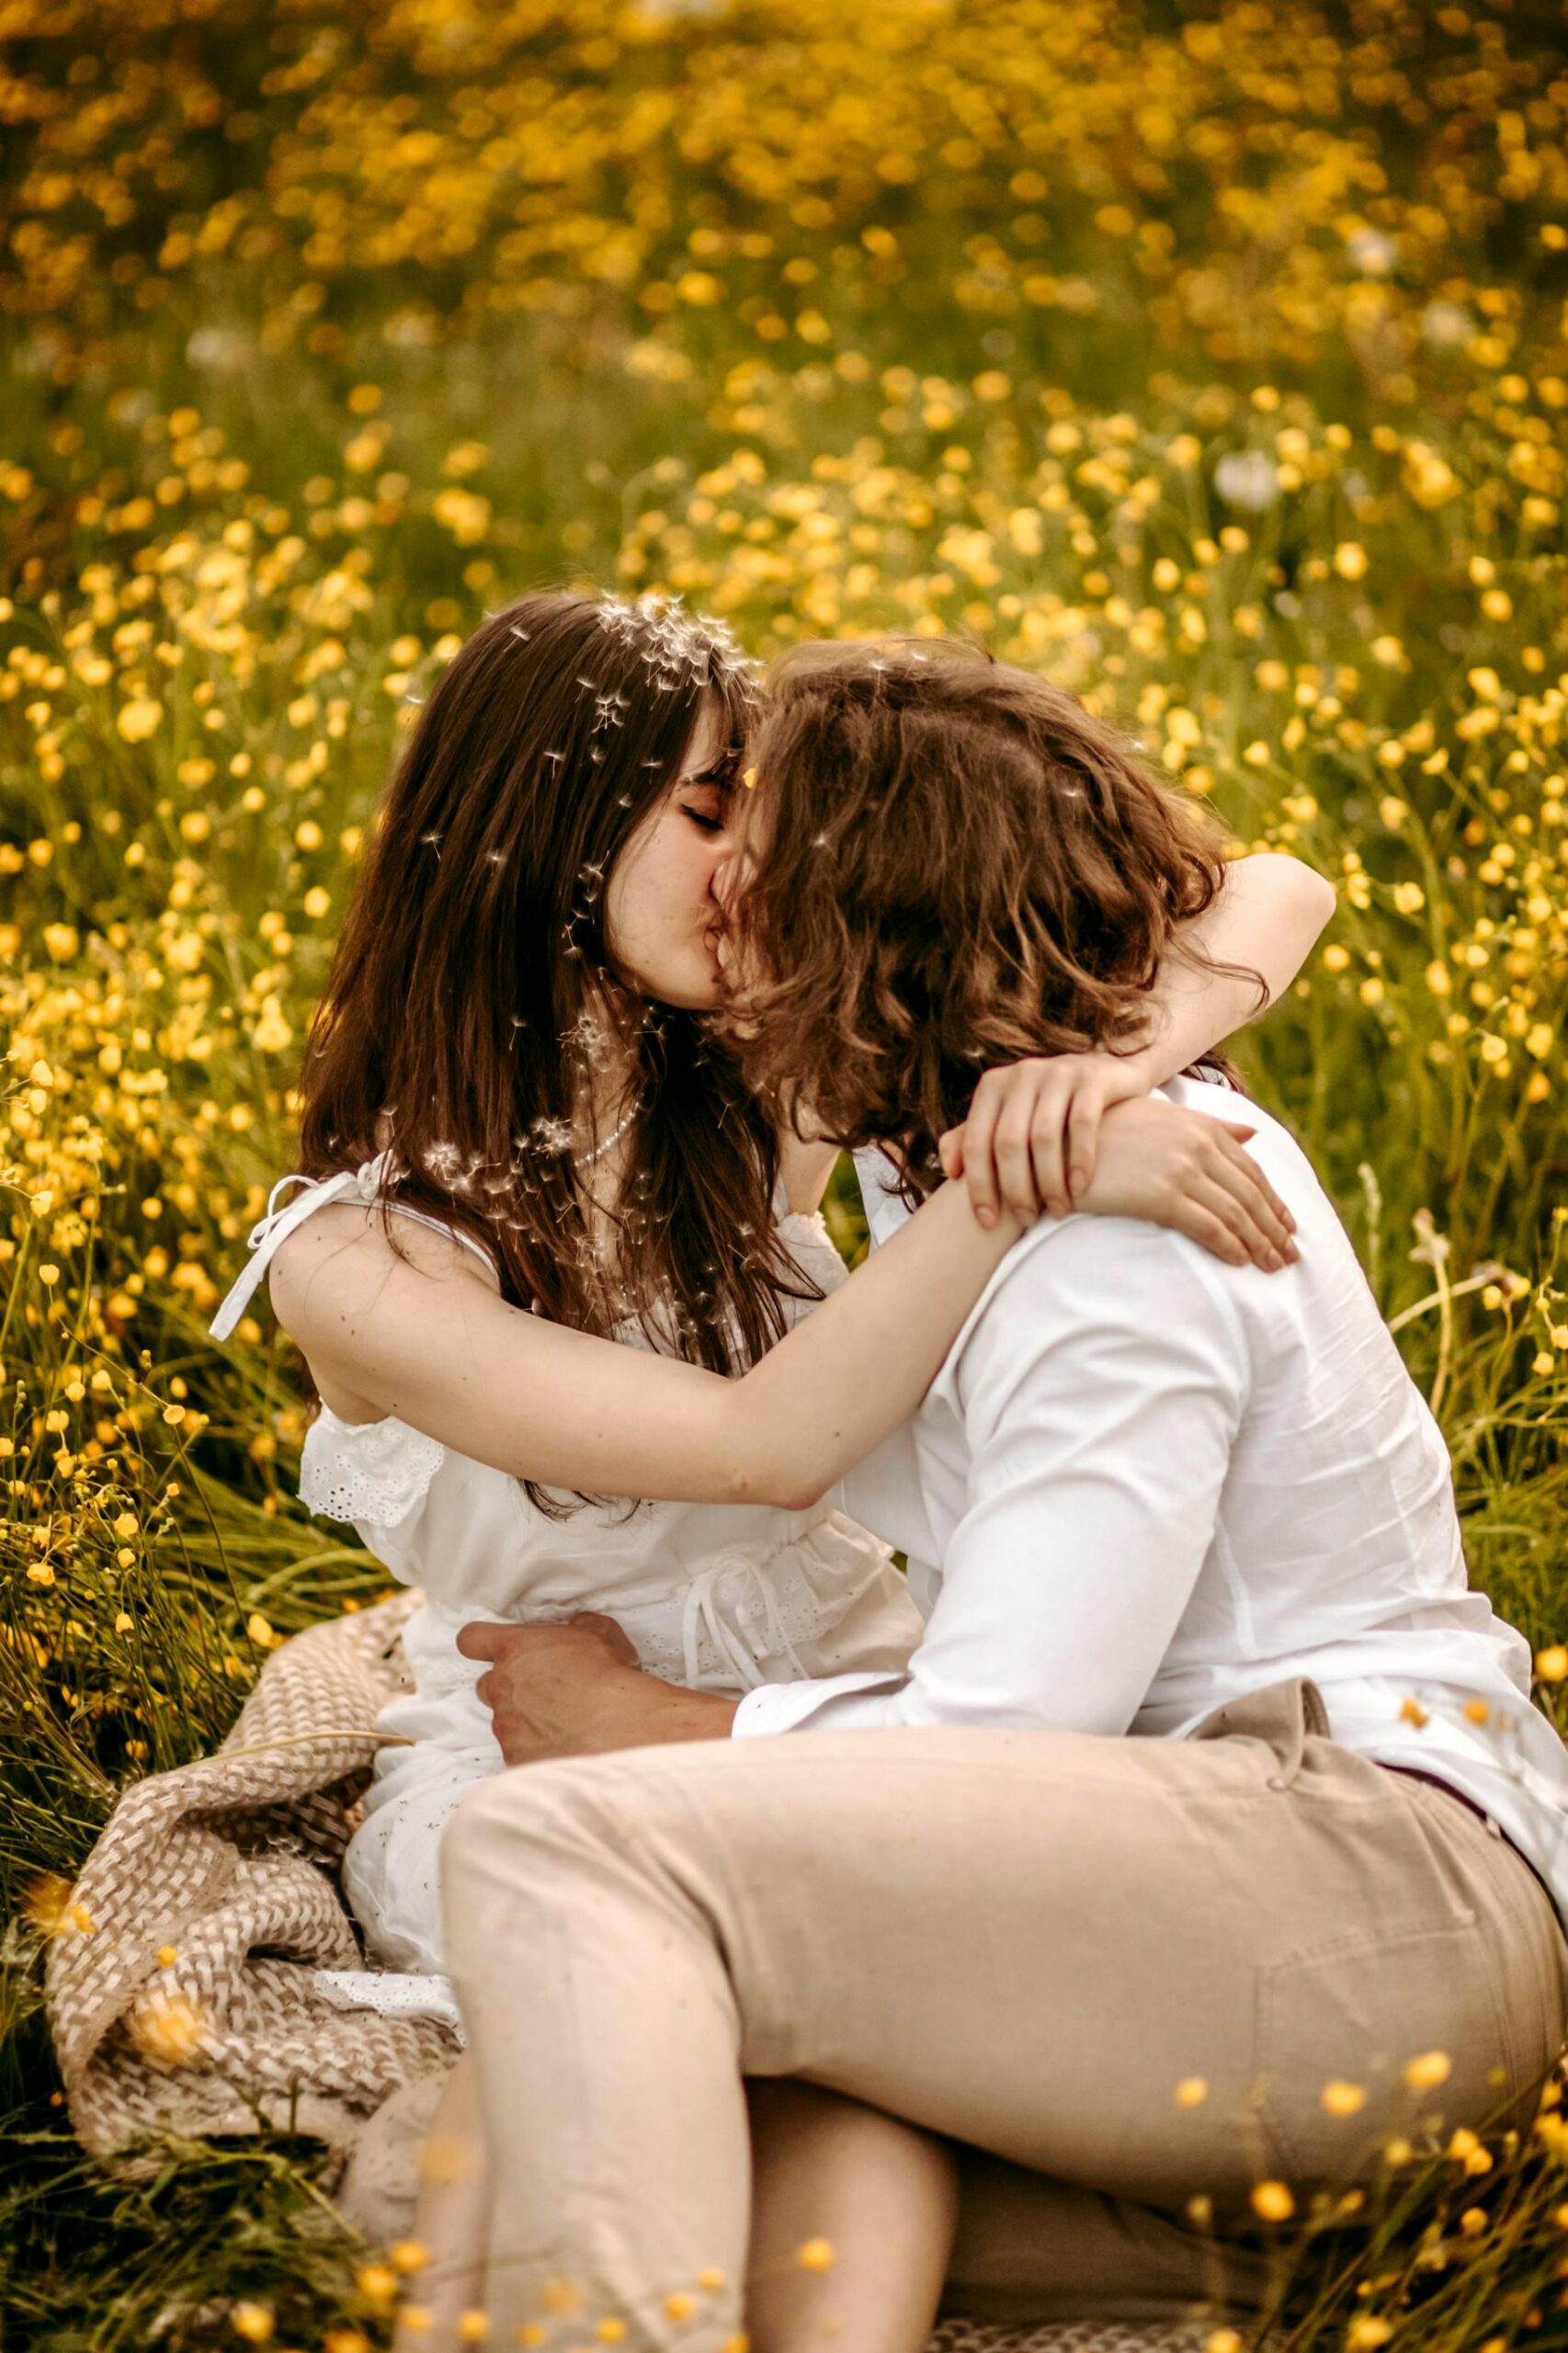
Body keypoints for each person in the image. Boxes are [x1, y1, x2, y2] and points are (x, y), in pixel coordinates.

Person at [207, 590, 1330, 2334]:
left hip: (849, 1711)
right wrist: (1015, 1180)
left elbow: (1277, 888)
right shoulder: (362, 1266)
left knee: (845, 2051)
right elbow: (765, 1447)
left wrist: (1093, 1082)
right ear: (546, 834)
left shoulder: (752, 1082)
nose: (753, 865)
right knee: (792, 2043)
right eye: (707, 813)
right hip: (546, 1768)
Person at [441, 639, 1568, 2353]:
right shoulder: (984, 1180)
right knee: (576, 2130)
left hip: (1362, 1885)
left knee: (555, 1854)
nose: (728, 903)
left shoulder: (1121, 1233)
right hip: (1248, 1935)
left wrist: (655, 1729)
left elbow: (1010, 1728)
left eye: (764, 871)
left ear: (870, 933)